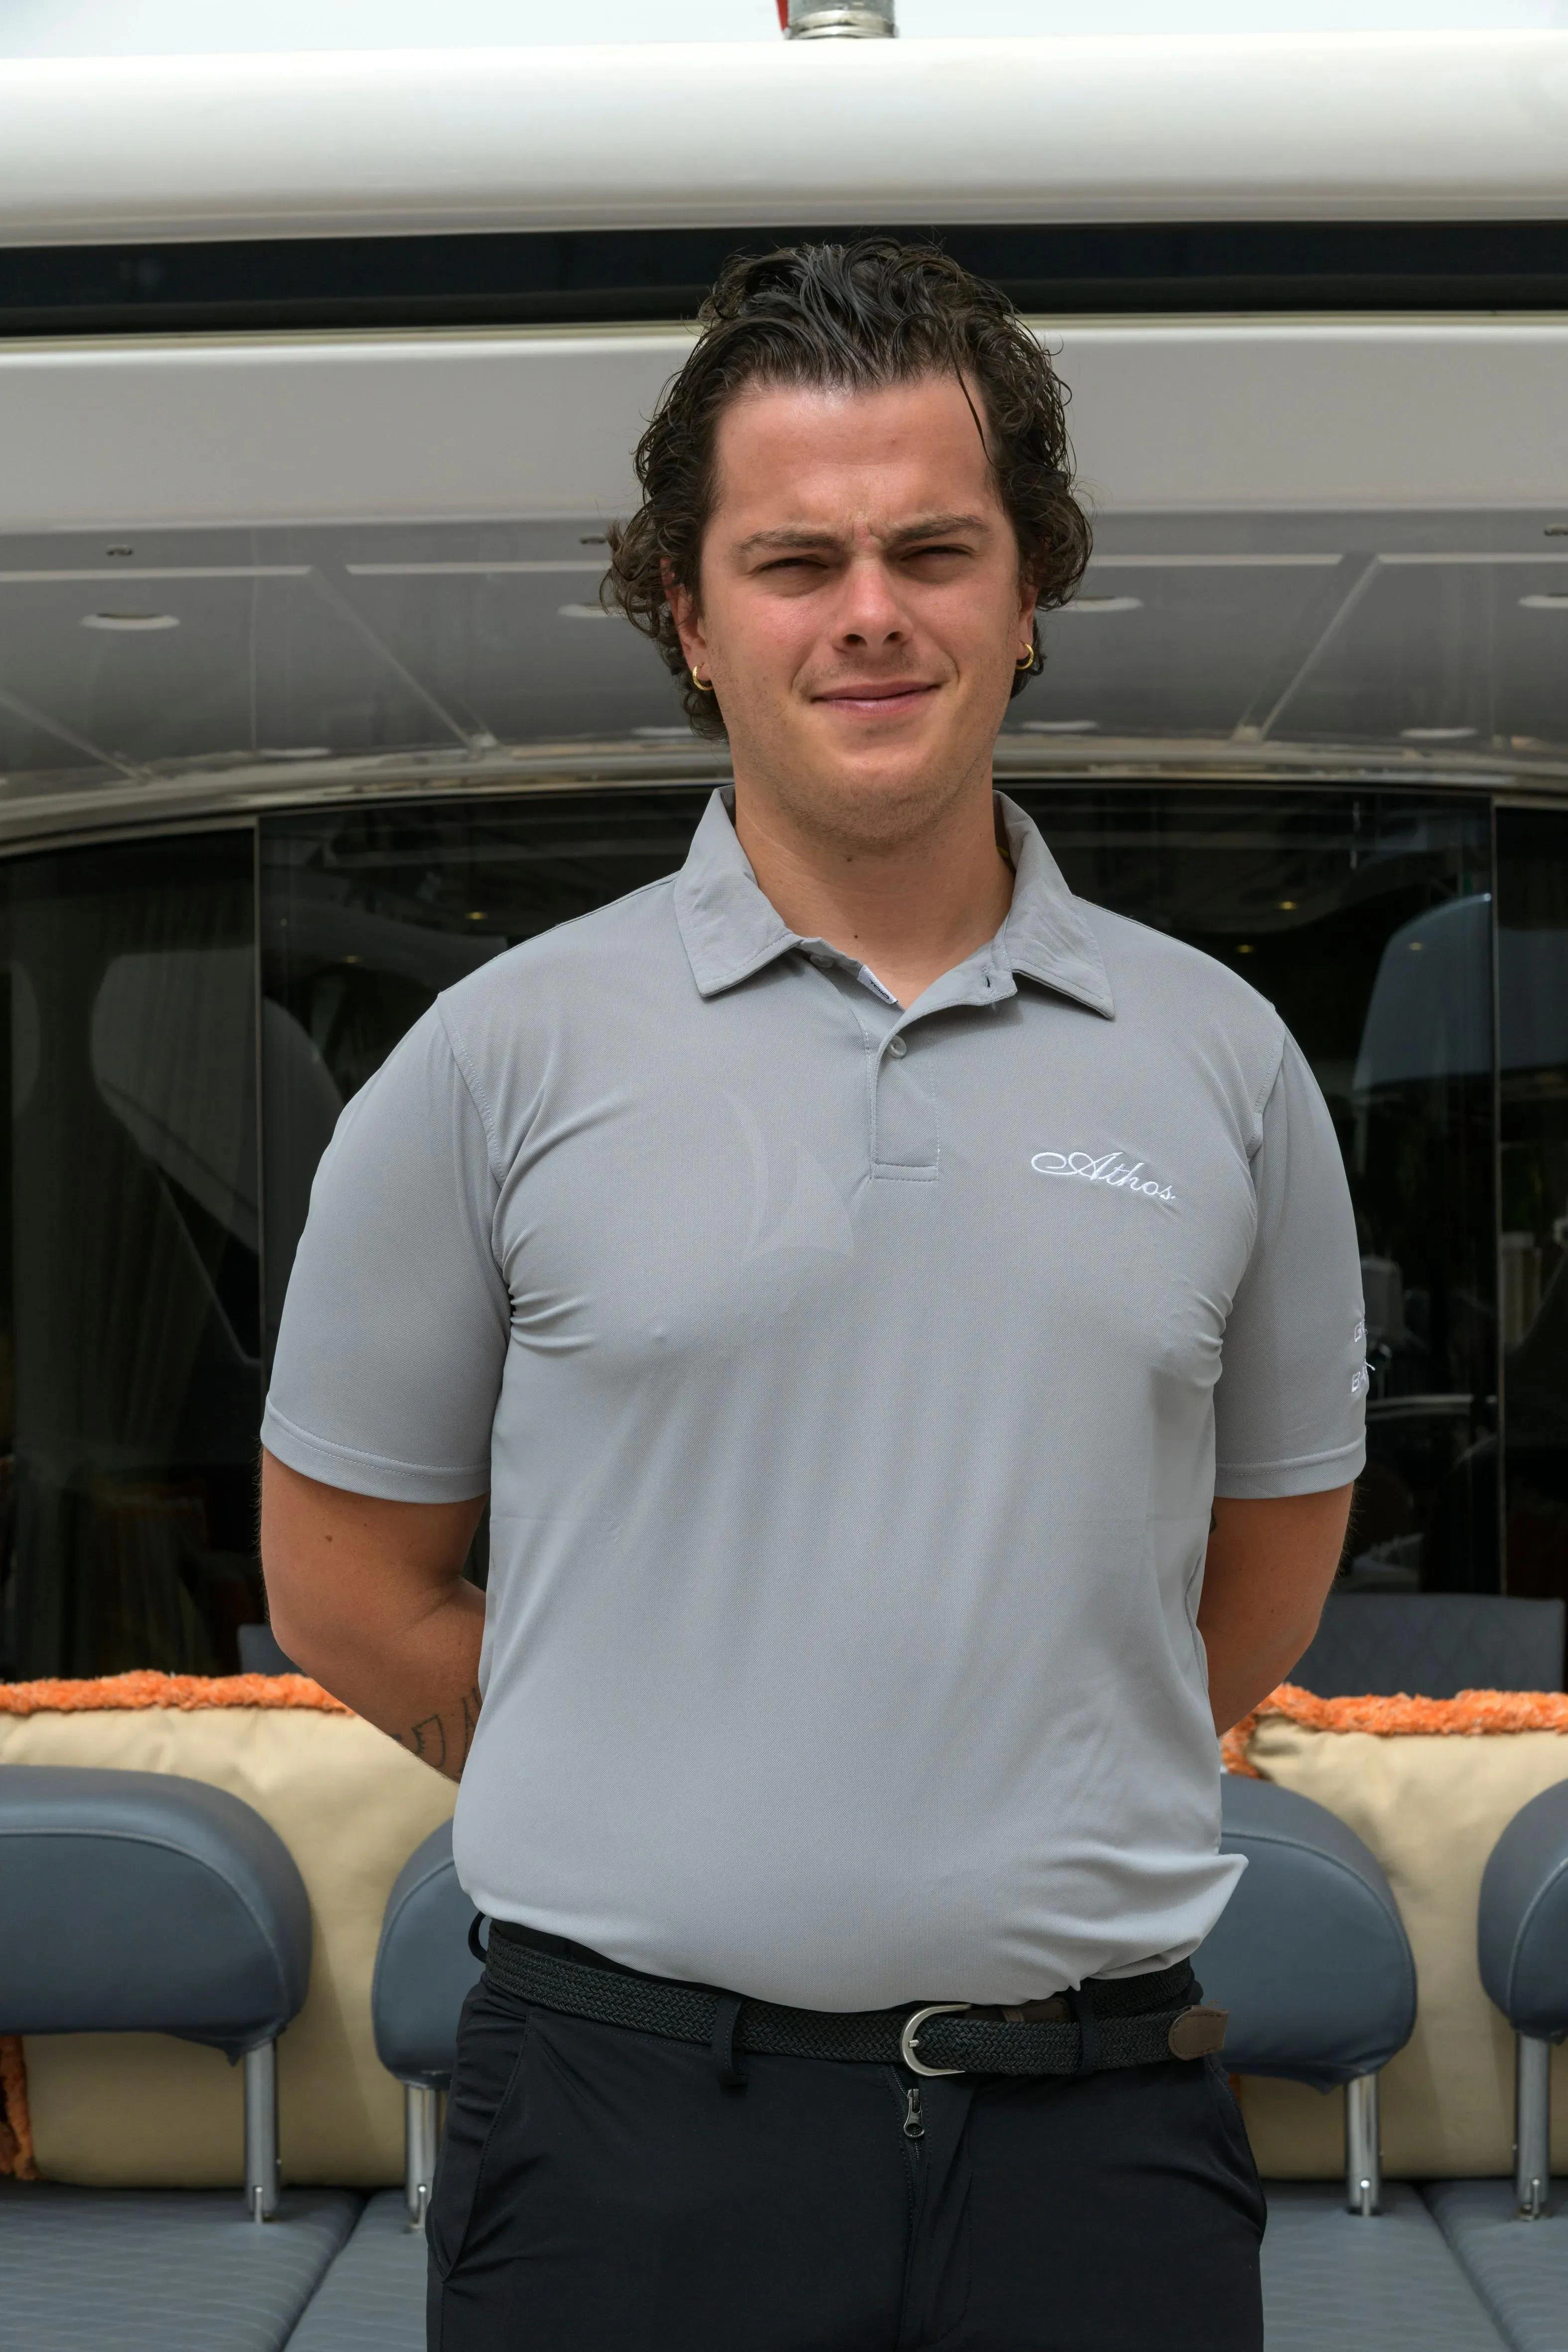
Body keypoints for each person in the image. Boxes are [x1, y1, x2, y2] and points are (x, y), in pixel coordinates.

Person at [260, 238, 1364, 2352]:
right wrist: (672, 1762)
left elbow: (1261, 1577)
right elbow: (337, 1583)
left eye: (933, 548)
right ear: (688, 610)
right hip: (620, 2131)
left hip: (1101, 2136)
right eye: (793, 559)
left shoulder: (1221, 1063)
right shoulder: (499, 1057)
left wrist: (976, 1753)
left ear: (1027, 590)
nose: (869, 609)